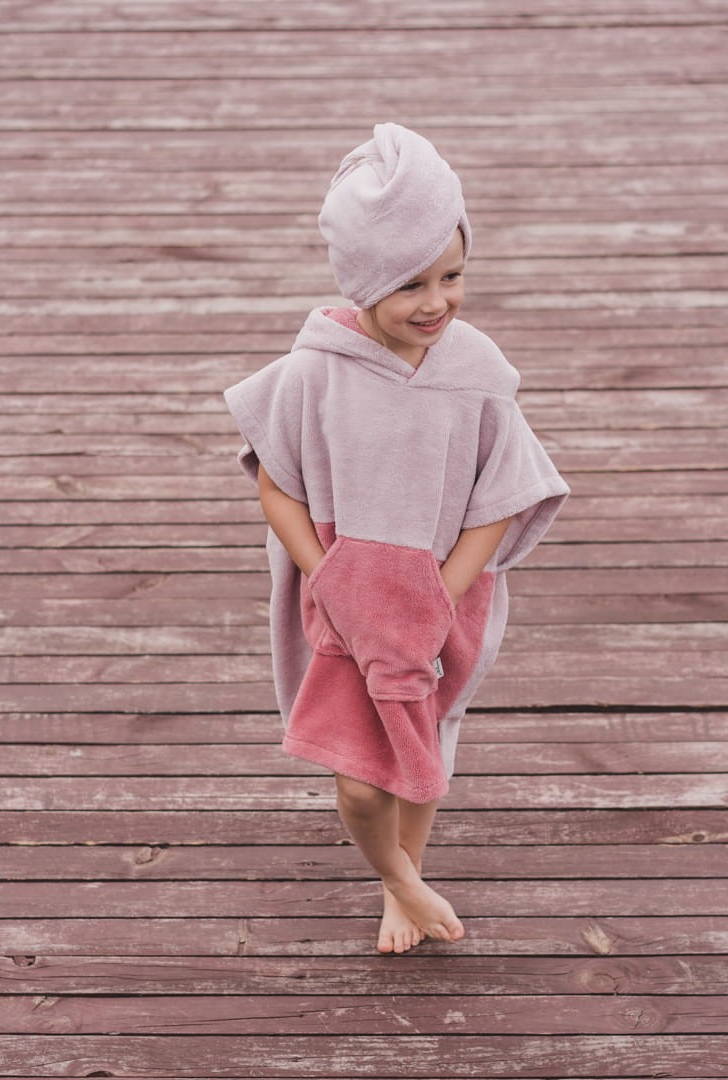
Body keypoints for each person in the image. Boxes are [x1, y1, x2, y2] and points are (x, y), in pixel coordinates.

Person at [224, 123, 568, 954]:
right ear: (365, 279)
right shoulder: (316, 370)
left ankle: (401, 884)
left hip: (441, 591)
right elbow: (277, 483)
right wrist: (329, 577)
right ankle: (402, 880)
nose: (436, 302)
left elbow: (502, 494)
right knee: (357, 782)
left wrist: (441, 593)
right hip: (345, 602)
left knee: (422, 749)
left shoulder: (474, 371)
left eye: (453, 276)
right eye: (411, 283)